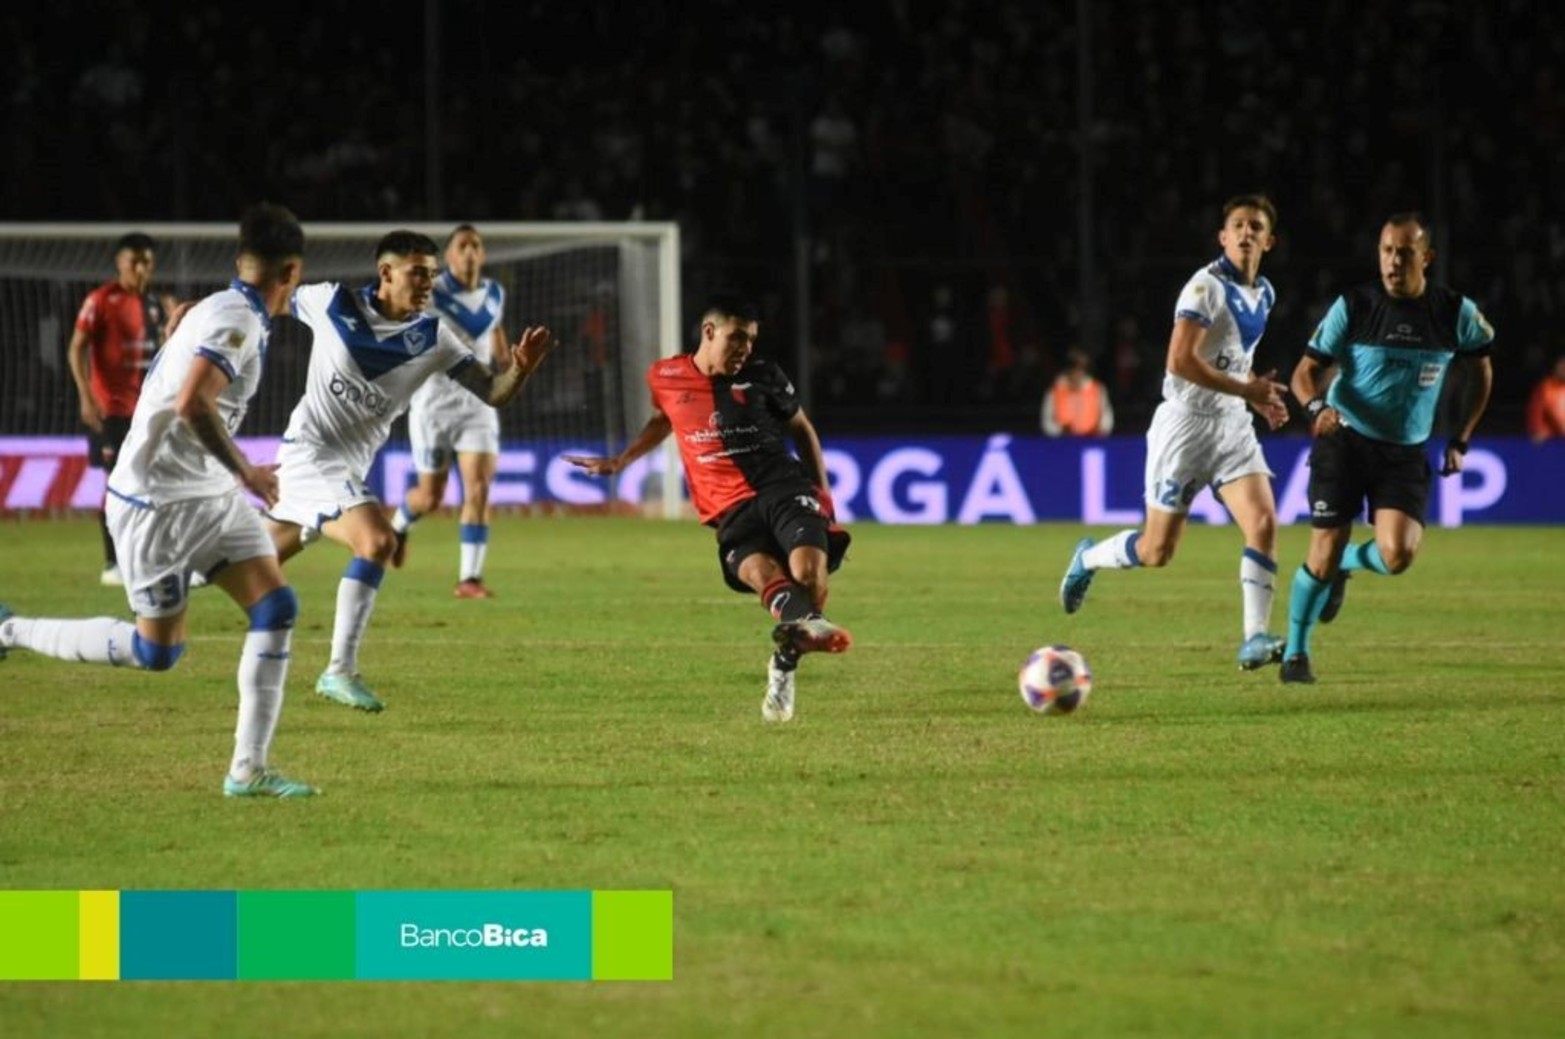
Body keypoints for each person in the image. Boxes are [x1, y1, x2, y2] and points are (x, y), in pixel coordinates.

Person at [1, 204, 316, 797]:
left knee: (276, 608)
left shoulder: (223, 309)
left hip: (211, 498)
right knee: (156, 652)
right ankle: (11, 631)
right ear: (292, 271)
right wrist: (248, 469)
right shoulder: (235, 321)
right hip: (158, 505)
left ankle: (247, 771)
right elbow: (192, 402)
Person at [264, 230, 555, 713]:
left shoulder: (435, 337)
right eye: (418, 273)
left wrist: (520, 369)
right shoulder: (330, 301)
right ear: (386, 273)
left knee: (252, 558)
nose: (428, 283)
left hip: (347, 467)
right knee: (378, 541)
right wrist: (209, 315)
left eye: (432, 274)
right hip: (307, 453)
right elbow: (269, 300)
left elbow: (493, 392)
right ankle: (339, 671)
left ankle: (170, 581)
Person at [565, 297, 852, 723]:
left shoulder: (765, 376)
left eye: (751, 340)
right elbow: (665, 418)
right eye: (738, 338)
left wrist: (825, 497)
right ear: (709, 332)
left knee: (809, 575)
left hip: (783, 488)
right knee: (762, 576)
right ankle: (789, 657)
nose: (746, 349)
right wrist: (621, 460)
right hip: (728, 508)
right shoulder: (664, 375)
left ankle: (802, 634)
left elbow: (802, 429)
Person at [1059, 194, 1292, 671]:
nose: (1246, 233)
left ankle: (1254, 638)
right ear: (1223, 237)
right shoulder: (1204, 288)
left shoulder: (1265, 293)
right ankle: (1088, 559)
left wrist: (1254, 398)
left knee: (1264, 524)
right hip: (1185, 425)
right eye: (1238, 226)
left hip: (1231, 425)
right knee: (1156, 550)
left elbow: (1235, 361)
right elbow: (1180, 361)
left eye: (1256, 227)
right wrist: (1247, 388)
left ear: (1269, 241)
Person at [1280, 213, 1494, 684]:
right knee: (1322, 550)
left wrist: (1462, 436)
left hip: (1403, 452)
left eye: (1404, 252)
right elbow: (1302, 372)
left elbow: (1481, 369)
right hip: (1345, 441)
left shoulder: (1453, 312)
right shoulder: (1355, 305)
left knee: (1398, 556)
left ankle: (1346, 568)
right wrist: (1317, 408)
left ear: (1426, 257)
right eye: (1386, 250)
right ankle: (1296, 653)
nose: (1393, 261)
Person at [390, 225, 509, 598]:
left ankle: (469, 579)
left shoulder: (494, 293)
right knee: (430, 497)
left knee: (478, 489)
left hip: (478, 405)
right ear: (450, 257)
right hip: (434, 405)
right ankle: (398, 526)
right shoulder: (431, 294)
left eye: (476, 245)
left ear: (483, 254)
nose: (471, 251)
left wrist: (508, 361)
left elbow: (494, 334)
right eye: (463, 245)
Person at [67, 231, 170, 586]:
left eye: (147, 261)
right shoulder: (101, 300)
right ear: (120, 263)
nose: (141, 268)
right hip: (110, 410)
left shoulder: (157, 305)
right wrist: (85, 395)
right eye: (134, 261)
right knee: (116, 485)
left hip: (147, 411)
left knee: (152, 484)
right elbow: (76, 347)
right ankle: (113, 563)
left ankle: (146, 556)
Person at [1041, 348, 1115, 436]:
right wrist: (1060, 431)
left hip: (1092, 441)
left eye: (1081, 368)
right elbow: (1047, 421)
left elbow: (1106, 417)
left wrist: (1100, 430)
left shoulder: (1097, 389)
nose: (1077, 372)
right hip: (1063, 442)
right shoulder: (1054, 391)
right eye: (1074, 367)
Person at [1525, 355, 1565, 441]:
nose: (1563, 369)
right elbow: (1535, 413)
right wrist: (1537, 431)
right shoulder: (1545, 388)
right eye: (1561, 365)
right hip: (1548, 442)